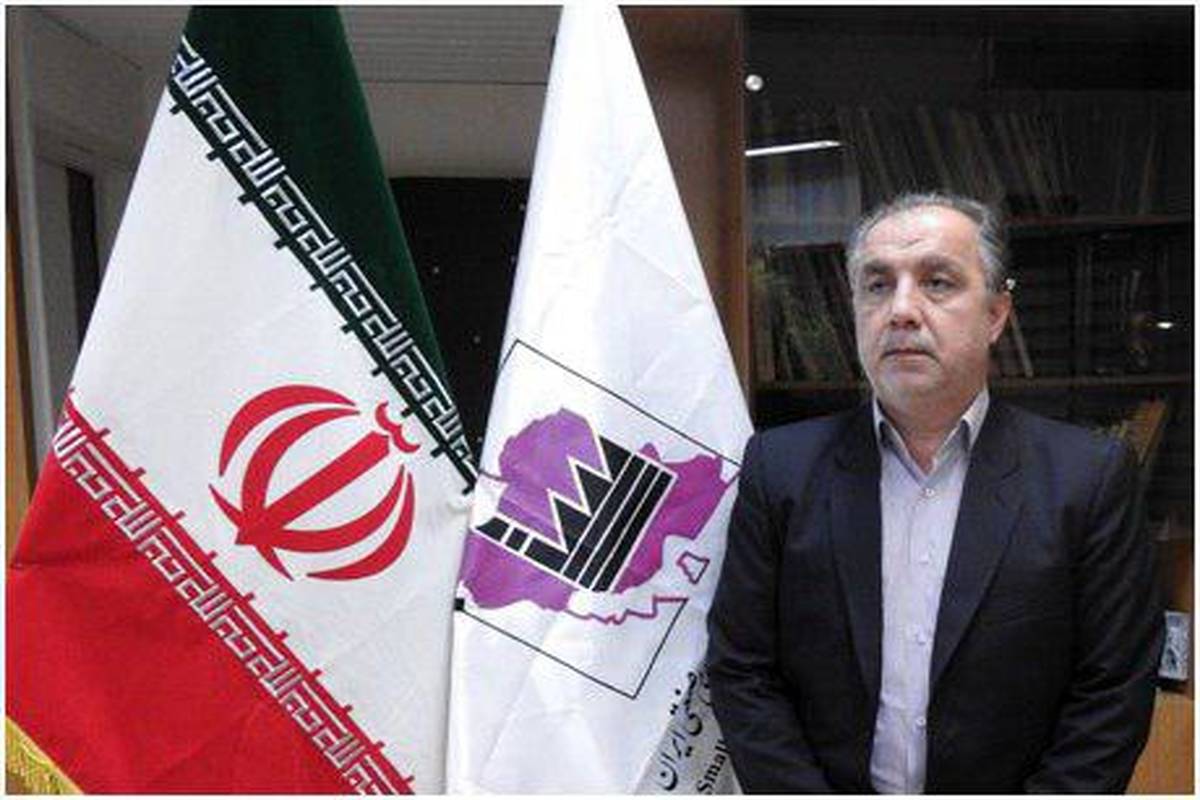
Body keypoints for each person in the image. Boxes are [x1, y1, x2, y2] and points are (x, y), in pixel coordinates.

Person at [707, 192, 1163, 793]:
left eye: (937, 282)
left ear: (996, 315)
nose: (901, 310)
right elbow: (742, 669)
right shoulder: (780, 469)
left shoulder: (1087, 478)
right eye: (877, 286)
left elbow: (1113, 690)